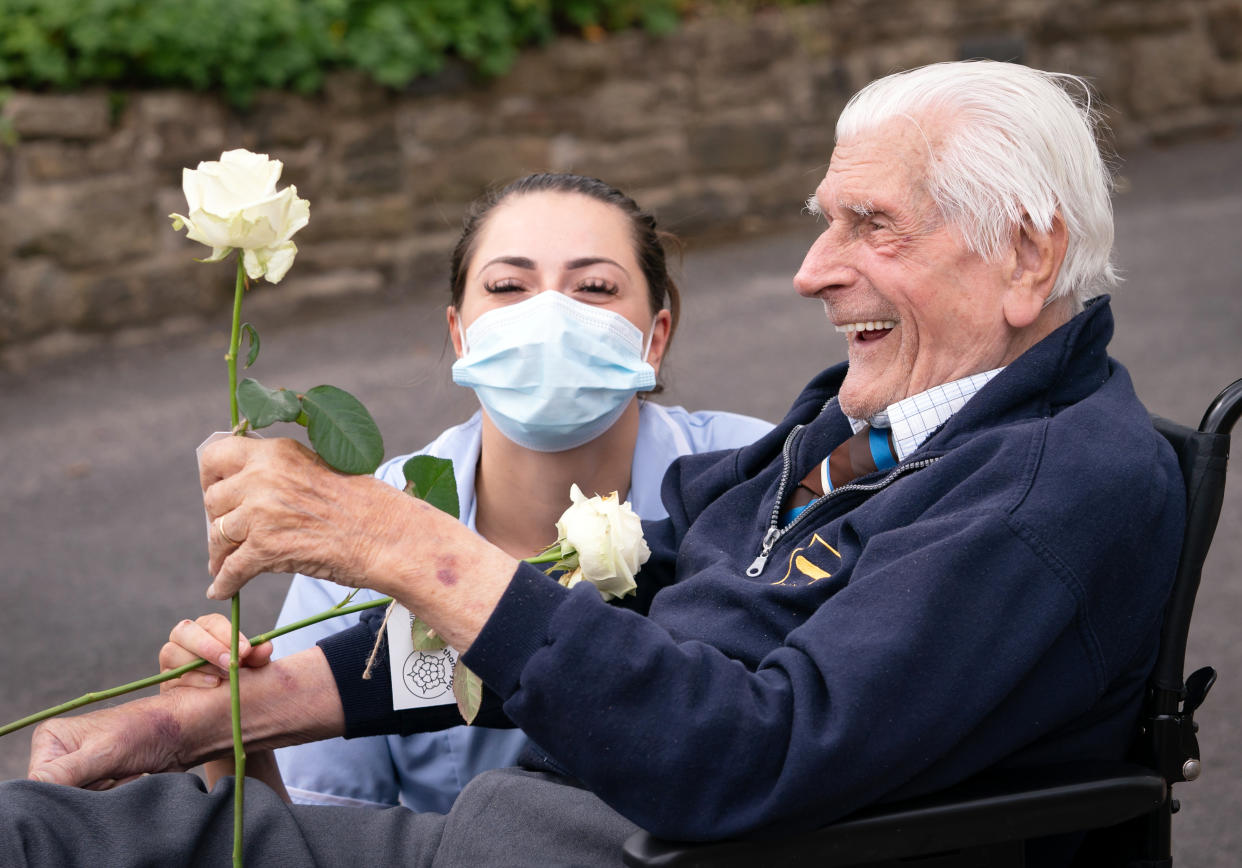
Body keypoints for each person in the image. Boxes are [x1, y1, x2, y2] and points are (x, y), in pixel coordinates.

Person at [3, 60, 1185, 868]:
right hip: (547, 829)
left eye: (870, 225)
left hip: (596, 847)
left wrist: (399, 541)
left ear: (1028, 255)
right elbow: (623, 607)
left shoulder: (1038, 494)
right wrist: (213, 720)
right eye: (826, 221)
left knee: (52, 843)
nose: (811, 269)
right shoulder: (885, 427)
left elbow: (750, 753)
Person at [164, 171, 774, 811]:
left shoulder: (761, 477)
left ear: (656, 335)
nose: (549, 316)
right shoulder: (350, 534)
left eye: (594, 288)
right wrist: (229, 733)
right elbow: (316, 831)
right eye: (509, 287)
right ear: (461, 333)